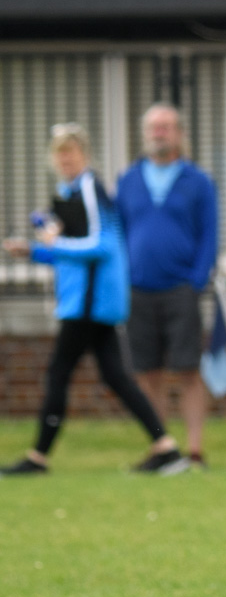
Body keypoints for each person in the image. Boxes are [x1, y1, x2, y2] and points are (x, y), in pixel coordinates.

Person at [0, 124, 187, 477]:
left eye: (70, 151)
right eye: (59, 152)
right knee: (116, 376)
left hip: (90, 301)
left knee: (59, 372)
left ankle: (38, 457)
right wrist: (35, 252)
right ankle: (166, 447)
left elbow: (102, 245)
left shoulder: (89, 189)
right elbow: (72, 251)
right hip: (84, 298)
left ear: (84, 154)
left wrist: (56, 245)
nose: (65, 159)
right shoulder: (69, 192)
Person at [114, 103, 218, 470]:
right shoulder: (128, 179)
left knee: (188, 369)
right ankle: (162, 448)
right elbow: (120, 232)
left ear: (180, 133)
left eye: (166, 127)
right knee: (148, 372)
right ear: (145, 133)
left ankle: (194, 451)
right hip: (138, 289)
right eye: (154, 127)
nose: (160, 133)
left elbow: (209, 234)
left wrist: (196, 280)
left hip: (181, 289)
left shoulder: (197, 181)